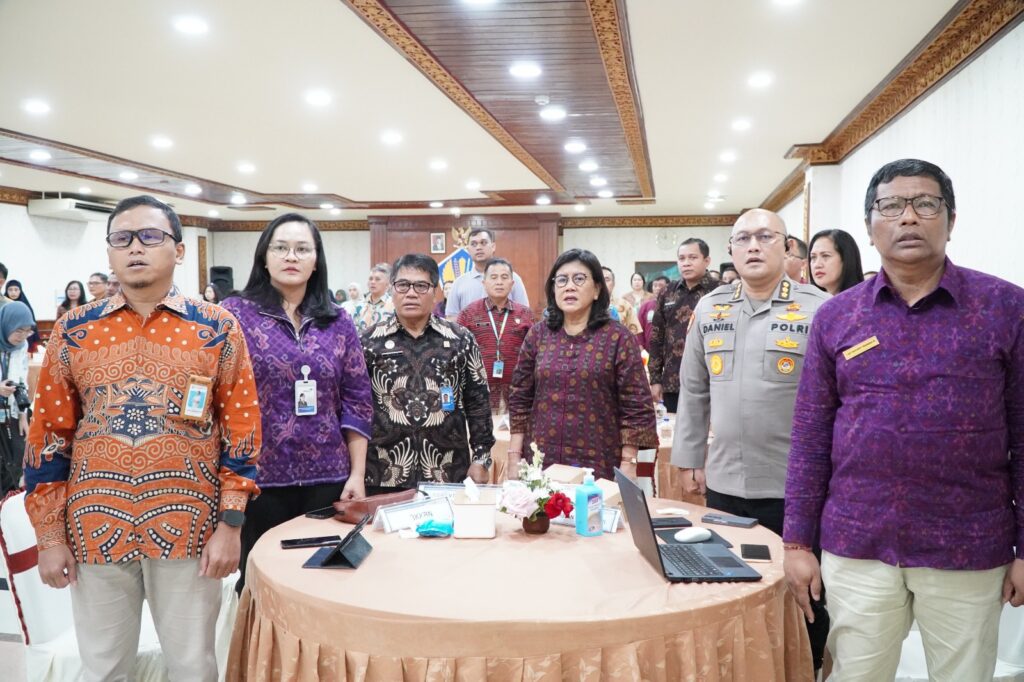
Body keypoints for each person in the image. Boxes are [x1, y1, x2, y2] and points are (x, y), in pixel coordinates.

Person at [784, 159, 1024, 681]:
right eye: (891, 206)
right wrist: (797, 543)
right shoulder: (836, 316)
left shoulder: (1006, 307)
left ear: (951, 220)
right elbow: (810, 435)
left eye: (926, 204)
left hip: (967, 541)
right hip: (858, 539)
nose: (908, 217)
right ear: (870, 227)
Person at [24, 195, 261, 682]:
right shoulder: (75, 330)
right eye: (122, 238)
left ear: (179, 250)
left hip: (191, 528)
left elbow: (242, 430)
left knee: (193, 666)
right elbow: (48, 435)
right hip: (95, 528)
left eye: (150, 236)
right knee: (103, 667)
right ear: (109, 252)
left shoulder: (217, 328)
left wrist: (231, 525)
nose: (135, 247)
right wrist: (49, 538)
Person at [671, 208, 830, 672]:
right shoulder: (710, 307)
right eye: (743, 239)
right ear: (731, 250)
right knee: (731, 590)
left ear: (787, 247)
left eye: (765, 236)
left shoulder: (819, 308)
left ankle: (804, 669)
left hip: (796, 487)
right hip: (724, 482)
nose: (754, 246)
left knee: (803, 596)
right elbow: (693, 388)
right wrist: (689, 457)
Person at [222, 213, 373, 593]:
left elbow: (357, 398)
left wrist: (357, 474)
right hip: (259, 478)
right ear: (264, 256)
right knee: (262, 581)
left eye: (302, 249)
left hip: (328, 477)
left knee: (325, 582)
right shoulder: (234, 314)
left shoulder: (337, 321)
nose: (292, 256)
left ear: (316, 260)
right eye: (281, 248)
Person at [508, 249, 657, 481]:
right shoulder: (538, 335)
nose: (569, 287)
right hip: (541, 461)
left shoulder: (618, 338)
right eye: (562, 280)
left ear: (597, 289)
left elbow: (636, 406)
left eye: (579, 279)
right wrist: (514, 456)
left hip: (599, 462)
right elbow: (520, 398)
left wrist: (629, 463)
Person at [362, 253, 493, 491]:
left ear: (435, 291)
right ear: (392, 289)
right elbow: (355, 407)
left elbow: (478, 403)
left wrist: (481, 457)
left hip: (448, 470)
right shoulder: (368, 342)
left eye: (421, 286)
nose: (411, 293)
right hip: (383, 472)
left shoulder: (460, 339)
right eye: (403, 285)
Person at [457, 258, 535, 414]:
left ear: (512, 283)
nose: (499, 282)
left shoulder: (525, 314)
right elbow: (457, 354)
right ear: (484, 283)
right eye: (493, 277)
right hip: (477, 396)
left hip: (517, 396)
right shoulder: (468, 313)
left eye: (504, 277)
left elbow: (534, 355)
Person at [648, 239, 715, 413]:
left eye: (692, 257)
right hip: (673, 381)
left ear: (707, 260)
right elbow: (656, 338)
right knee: (675, 427)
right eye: (682, 258)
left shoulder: (720, 291)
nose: (686, 263)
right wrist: (655, 379)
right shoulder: (667, 292)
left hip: (713, 381)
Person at [445, 228, 529, 318]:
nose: (478, 247)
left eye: (483, 243)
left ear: (493, 247)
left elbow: (524, 314)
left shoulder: (512, 278)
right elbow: (451, 318)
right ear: (468, 250)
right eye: (473, 244)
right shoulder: (459, 283)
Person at [0, 302, 34, 494]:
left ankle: (8, 499)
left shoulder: (22, 346)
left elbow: (22, 380)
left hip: (10, 410)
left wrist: (23, 416)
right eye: (18, 330)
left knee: (16, 455)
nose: (22, 336)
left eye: (27, 331)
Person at [807, 228, 864, 296]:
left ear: (846, 258)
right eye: (813, 257)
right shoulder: (809, 300)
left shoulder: (863, 299)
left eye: (825, 255)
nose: (817, 265)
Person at [354, 263, 394, 333]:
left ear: (387, 284)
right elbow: (353, 329)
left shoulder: (394, 304)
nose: (372, 282)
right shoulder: (360, 305)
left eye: (377, 279)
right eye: (370, 279)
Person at [3, 280, 42, 352]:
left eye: (16, 290)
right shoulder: (3, 306)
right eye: (10, 290)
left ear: (20, 291)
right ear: (6, 291)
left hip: (24, 339)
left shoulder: (26, 306)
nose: (13, 292)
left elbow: (31, 326)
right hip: (5, 340)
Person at [602, 266, 641, 335]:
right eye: (599, 279)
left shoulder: (625, 305)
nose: (602, 283)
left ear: (613, 284)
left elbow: (635, 333)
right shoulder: (586, 305)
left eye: (607, 279)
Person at [638, 275, 670, 351]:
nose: (657, 288)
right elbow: (639, 329)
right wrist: (641, 347)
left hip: (668, 348)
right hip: (648, 350)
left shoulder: (672, 305)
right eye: (655, 285)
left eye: (660, 285)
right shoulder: (645, 306)